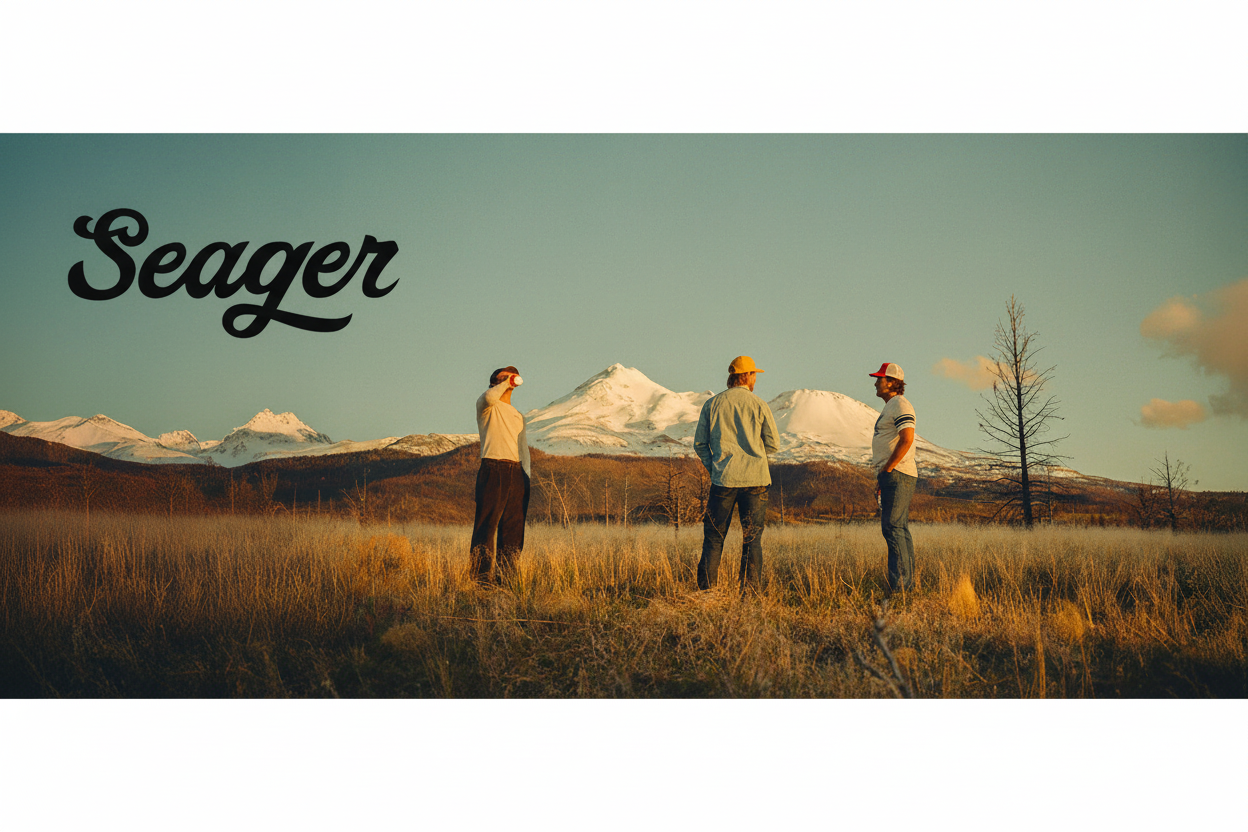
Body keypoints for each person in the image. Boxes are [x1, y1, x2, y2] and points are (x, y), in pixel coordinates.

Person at [693, 355, 780, 592]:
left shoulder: (712, 404)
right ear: (747, 376)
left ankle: (706, 593)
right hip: (756, 481)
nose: (755, 379)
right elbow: (773, 444)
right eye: (754, 375)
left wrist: (715, 468)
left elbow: (700, 444)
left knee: (713, 538)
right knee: (752, 539)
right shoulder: (759, 404)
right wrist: (755, 455)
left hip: (724, 480)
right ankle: (750, 594)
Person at [470, 365, 531, 585]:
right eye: (503, 375)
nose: (509, 378)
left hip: (516, 471)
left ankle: (506, 580)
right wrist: (507, 382)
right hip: (493, 467)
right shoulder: (487, 405)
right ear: (494, 381)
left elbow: (523, 448)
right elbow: (489, 396)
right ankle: (480, 581)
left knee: (514, 529)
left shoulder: (518, 415)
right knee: (486, 526)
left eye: (512, 375)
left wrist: (526, 477)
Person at [869, 362, 917, 593]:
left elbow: (907, 438)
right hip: (894, 474)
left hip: (897, 473)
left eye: (880, 379)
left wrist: (888, 468)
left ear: (892, 382)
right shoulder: (892, 406)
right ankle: (905, 585)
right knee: (898, 528)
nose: (876, 383)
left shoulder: (899, 404)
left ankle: (900, 587)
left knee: (893, 527)